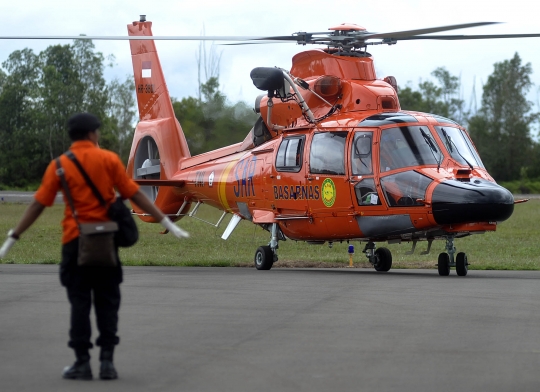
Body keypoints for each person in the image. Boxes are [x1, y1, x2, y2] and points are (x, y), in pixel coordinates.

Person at [0, 113, 189, 381]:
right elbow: (133, 193)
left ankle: (82, 362)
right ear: (91, 134)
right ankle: (107, 363)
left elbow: (38, 203)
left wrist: (13, 236)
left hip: (74, 243)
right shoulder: (109, 160)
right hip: (106, 243)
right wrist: (167, 223)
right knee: (107, 302)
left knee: (79, 303)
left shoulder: (60, 165)